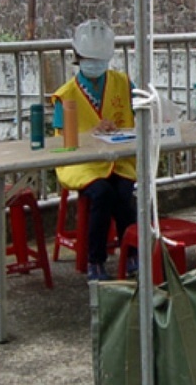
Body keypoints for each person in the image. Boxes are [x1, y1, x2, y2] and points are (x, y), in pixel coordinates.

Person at [51, 19, 136, 281]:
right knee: (101, 194)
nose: (96, 64)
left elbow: (138, 113)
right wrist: (91, 134)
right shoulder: (65, 94)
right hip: (83, 163)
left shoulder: (122, 82)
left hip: (118, 158)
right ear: (78, 56)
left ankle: (131, 253)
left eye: (101, 59)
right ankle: (95, 260)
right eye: (90, 58)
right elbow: (62, 139)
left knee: (124, 191)